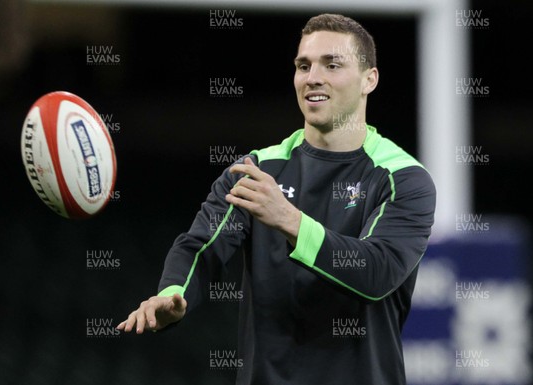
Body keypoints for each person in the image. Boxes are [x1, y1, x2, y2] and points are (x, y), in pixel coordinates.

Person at [117, 13, 436, 385]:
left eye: (332, 64)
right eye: (304, 65)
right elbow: (201, 246)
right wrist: (172, 292)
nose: (313, 76)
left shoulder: (404, 178)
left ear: (370, 79)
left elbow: (377, 273)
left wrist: (290, 220)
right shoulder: (257, 169)